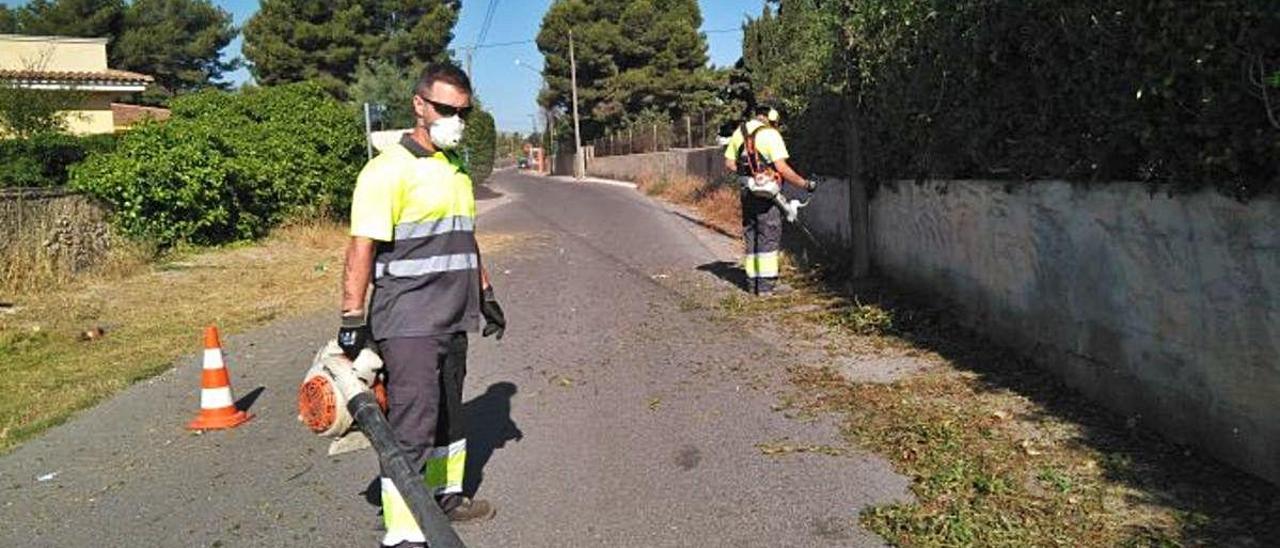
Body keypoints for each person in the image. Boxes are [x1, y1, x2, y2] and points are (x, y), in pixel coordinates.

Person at [337, 62, 507, 548]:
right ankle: (406, 532)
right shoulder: (385, 171)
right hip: (408, 322)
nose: (455, 119)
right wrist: (352, 318)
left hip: (455, 316)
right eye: (445, 109)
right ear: (419, 105)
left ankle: (446, 497)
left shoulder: (454, 169)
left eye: (463, 112)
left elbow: (465, 241)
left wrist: (487, 293)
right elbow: (361, 248)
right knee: (412, 424)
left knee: (450, 417)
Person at [723, 104, 817, 296]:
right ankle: (766, 288)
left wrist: (750, 177)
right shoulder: (770, 134)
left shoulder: (739, 132)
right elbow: (782, 168)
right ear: (770, 119)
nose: (776, 127)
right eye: (775, 123)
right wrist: (805, 184)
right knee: (768, 233)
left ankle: (752, 284)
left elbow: (730, 163)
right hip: (766, 194)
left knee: (751, 233)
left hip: (746, 190)